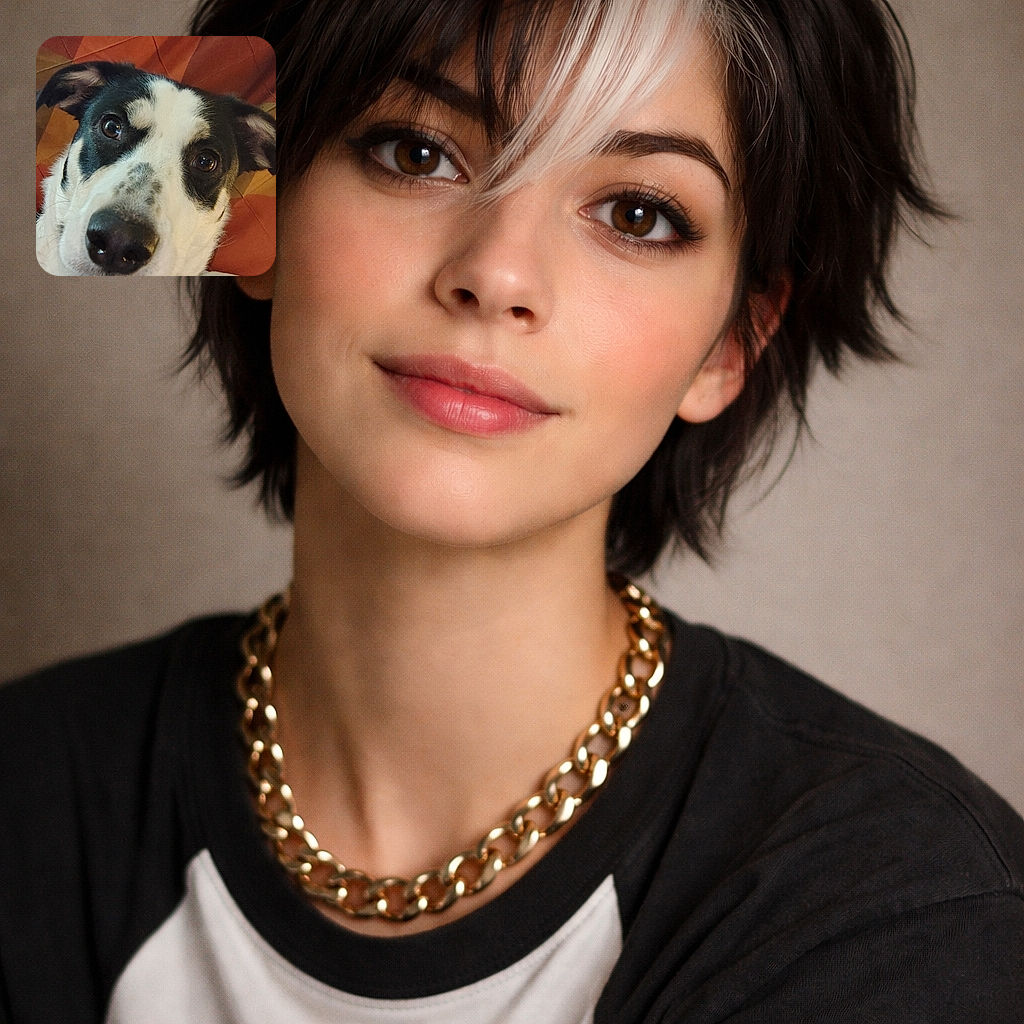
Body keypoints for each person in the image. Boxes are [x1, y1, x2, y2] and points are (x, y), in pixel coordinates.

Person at [2, 0, 1022, 1021]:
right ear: (249, 198)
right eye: (415, 151)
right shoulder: (31, 788)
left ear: (730, 345)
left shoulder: (905, 905)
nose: (496, 273)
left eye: (635, 213)